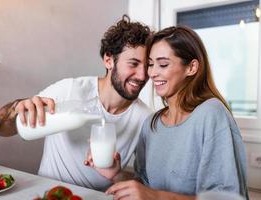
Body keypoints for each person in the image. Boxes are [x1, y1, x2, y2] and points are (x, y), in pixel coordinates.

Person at [87, 26, 249, 199]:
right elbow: (144, 186)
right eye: (150, 64)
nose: (152, 73)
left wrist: (156, 196)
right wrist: (116, 174)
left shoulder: (211, 113)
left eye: (163, 64)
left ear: (191, 67)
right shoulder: (151, 124)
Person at [0, 15, 152, 191]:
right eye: (133, 64)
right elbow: (0, 127)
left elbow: (143, 183)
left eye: (147, 66)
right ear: (109, 60)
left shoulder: (145, 118)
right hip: (48, 194)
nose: (142, 76)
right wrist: (17, 107)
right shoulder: (69, 90)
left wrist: (115, 174)